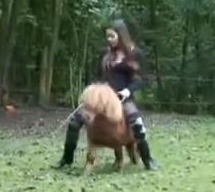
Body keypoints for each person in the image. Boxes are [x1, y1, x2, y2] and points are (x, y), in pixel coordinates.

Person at [55, 19, 159, 171]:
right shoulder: (105, 54)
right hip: (101, 98)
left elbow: (142, 79)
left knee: (136, 122)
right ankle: (66, 159)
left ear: (121, 36)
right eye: (107, 36)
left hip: (122, 97)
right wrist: (92, 94)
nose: (109, 40)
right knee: (74, 121)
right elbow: (97, 76)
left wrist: (127, 91)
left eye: (112, 36)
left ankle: (147, 158)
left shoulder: (135, 54)